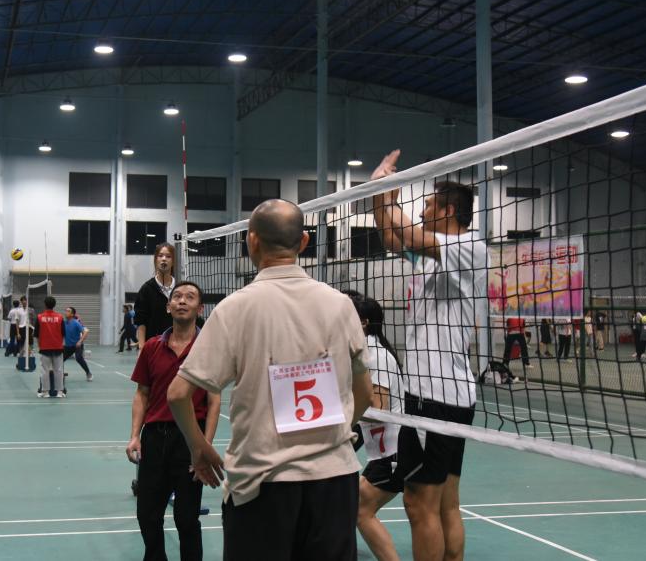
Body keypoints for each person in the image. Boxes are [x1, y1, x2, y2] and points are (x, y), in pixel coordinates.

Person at [168, 199, 372, 559]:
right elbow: (366, 395)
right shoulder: (341, 305)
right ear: (304, 242)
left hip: (262, 483)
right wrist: (332, 430)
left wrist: (198, 447)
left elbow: (178, 394)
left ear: (252, 241)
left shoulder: (235, 308)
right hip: (334, 481)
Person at [369, 149, 488, 561]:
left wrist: (389, 191)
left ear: (448, 210)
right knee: (446, 502)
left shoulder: (469, 246)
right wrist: (380, 197)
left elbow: (411, 234)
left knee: (419, 503)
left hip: (433, 395)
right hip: (448, 394)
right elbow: (392, 237)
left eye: (428, 206)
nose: (421, 212)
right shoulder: (435, 257)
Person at [127, 281, 221, 561]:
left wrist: (204, 446)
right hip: (155, 438)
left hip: (189, 439)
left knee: (187, 518)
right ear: (168, 307)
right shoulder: (152, 347)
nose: (182, 301)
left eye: (189, 297)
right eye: (177, 296)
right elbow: (142, 394)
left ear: (199, 308)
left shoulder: (209, 349)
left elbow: (214, 401)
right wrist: (134, 436)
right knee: (147, 514)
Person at [350, 294, 406, 561]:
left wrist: (344, 419)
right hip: (383, 452)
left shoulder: (377, 357)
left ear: (363, 323)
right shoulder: (366, 352)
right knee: (350, 501)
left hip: (392, 453)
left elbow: (378, 409)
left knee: (361, 510)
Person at [135, 243, 176, 350]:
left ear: (173, 261)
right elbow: (141, 321)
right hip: (153, 347)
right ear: (155, 260)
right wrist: (141, 347)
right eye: (160, 255)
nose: (164, 259)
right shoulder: (146, 289)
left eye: (168, 256)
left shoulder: (180, 288)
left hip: (176, 347)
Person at [37, 296, 66, 398]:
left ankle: (45, 392)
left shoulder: (39, 317)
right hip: (58, 348)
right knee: (58, 370)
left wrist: (39, 345)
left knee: (44, 370)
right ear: (54, 305)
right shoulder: (60, 317)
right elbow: (63, 333)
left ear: (45, 304)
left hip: (44, 348)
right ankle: (60, 392)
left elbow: (36, 334)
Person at [63, 306, 93, 381]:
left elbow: (85, 332)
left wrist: (80, 341)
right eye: (66, 311)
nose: (66, 312)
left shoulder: (76, 323)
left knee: (79, 358)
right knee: (60, 360)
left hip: (77, 345)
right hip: (68, 346)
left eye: (68, 311)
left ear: (72, 314)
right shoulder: (64, 323)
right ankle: (60, 374)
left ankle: (88, 373)